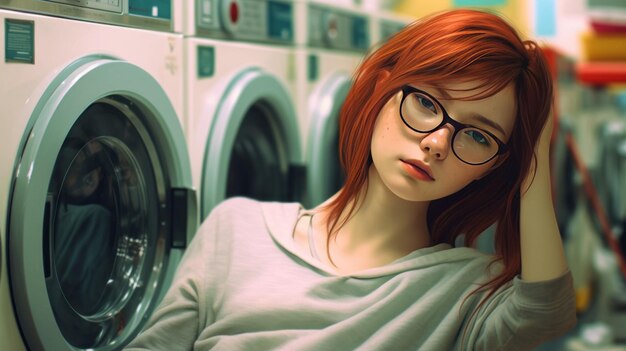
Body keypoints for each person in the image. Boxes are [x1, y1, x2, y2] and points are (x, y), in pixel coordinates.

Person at [125, 9, 576, 350]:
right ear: (383, 87)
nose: (438, 142)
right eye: (426, 102)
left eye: (477, 135)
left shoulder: (466, 290)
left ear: (495, 165)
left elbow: (547, 315)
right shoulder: (236, 230)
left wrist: (534, 154)